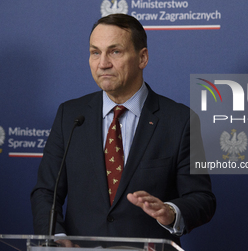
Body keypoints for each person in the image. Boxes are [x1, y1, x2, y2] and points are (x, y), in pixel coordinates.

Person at [31, 13, 216, 247]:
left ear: (142, 58)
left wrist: (170, 211)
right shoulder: (70, 116)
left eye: (115, 51)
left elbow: (202, 198)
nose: (103, 63)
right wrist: (56, 239)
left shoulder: (179, 120)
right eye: (95, 52)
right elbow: (46, 192)